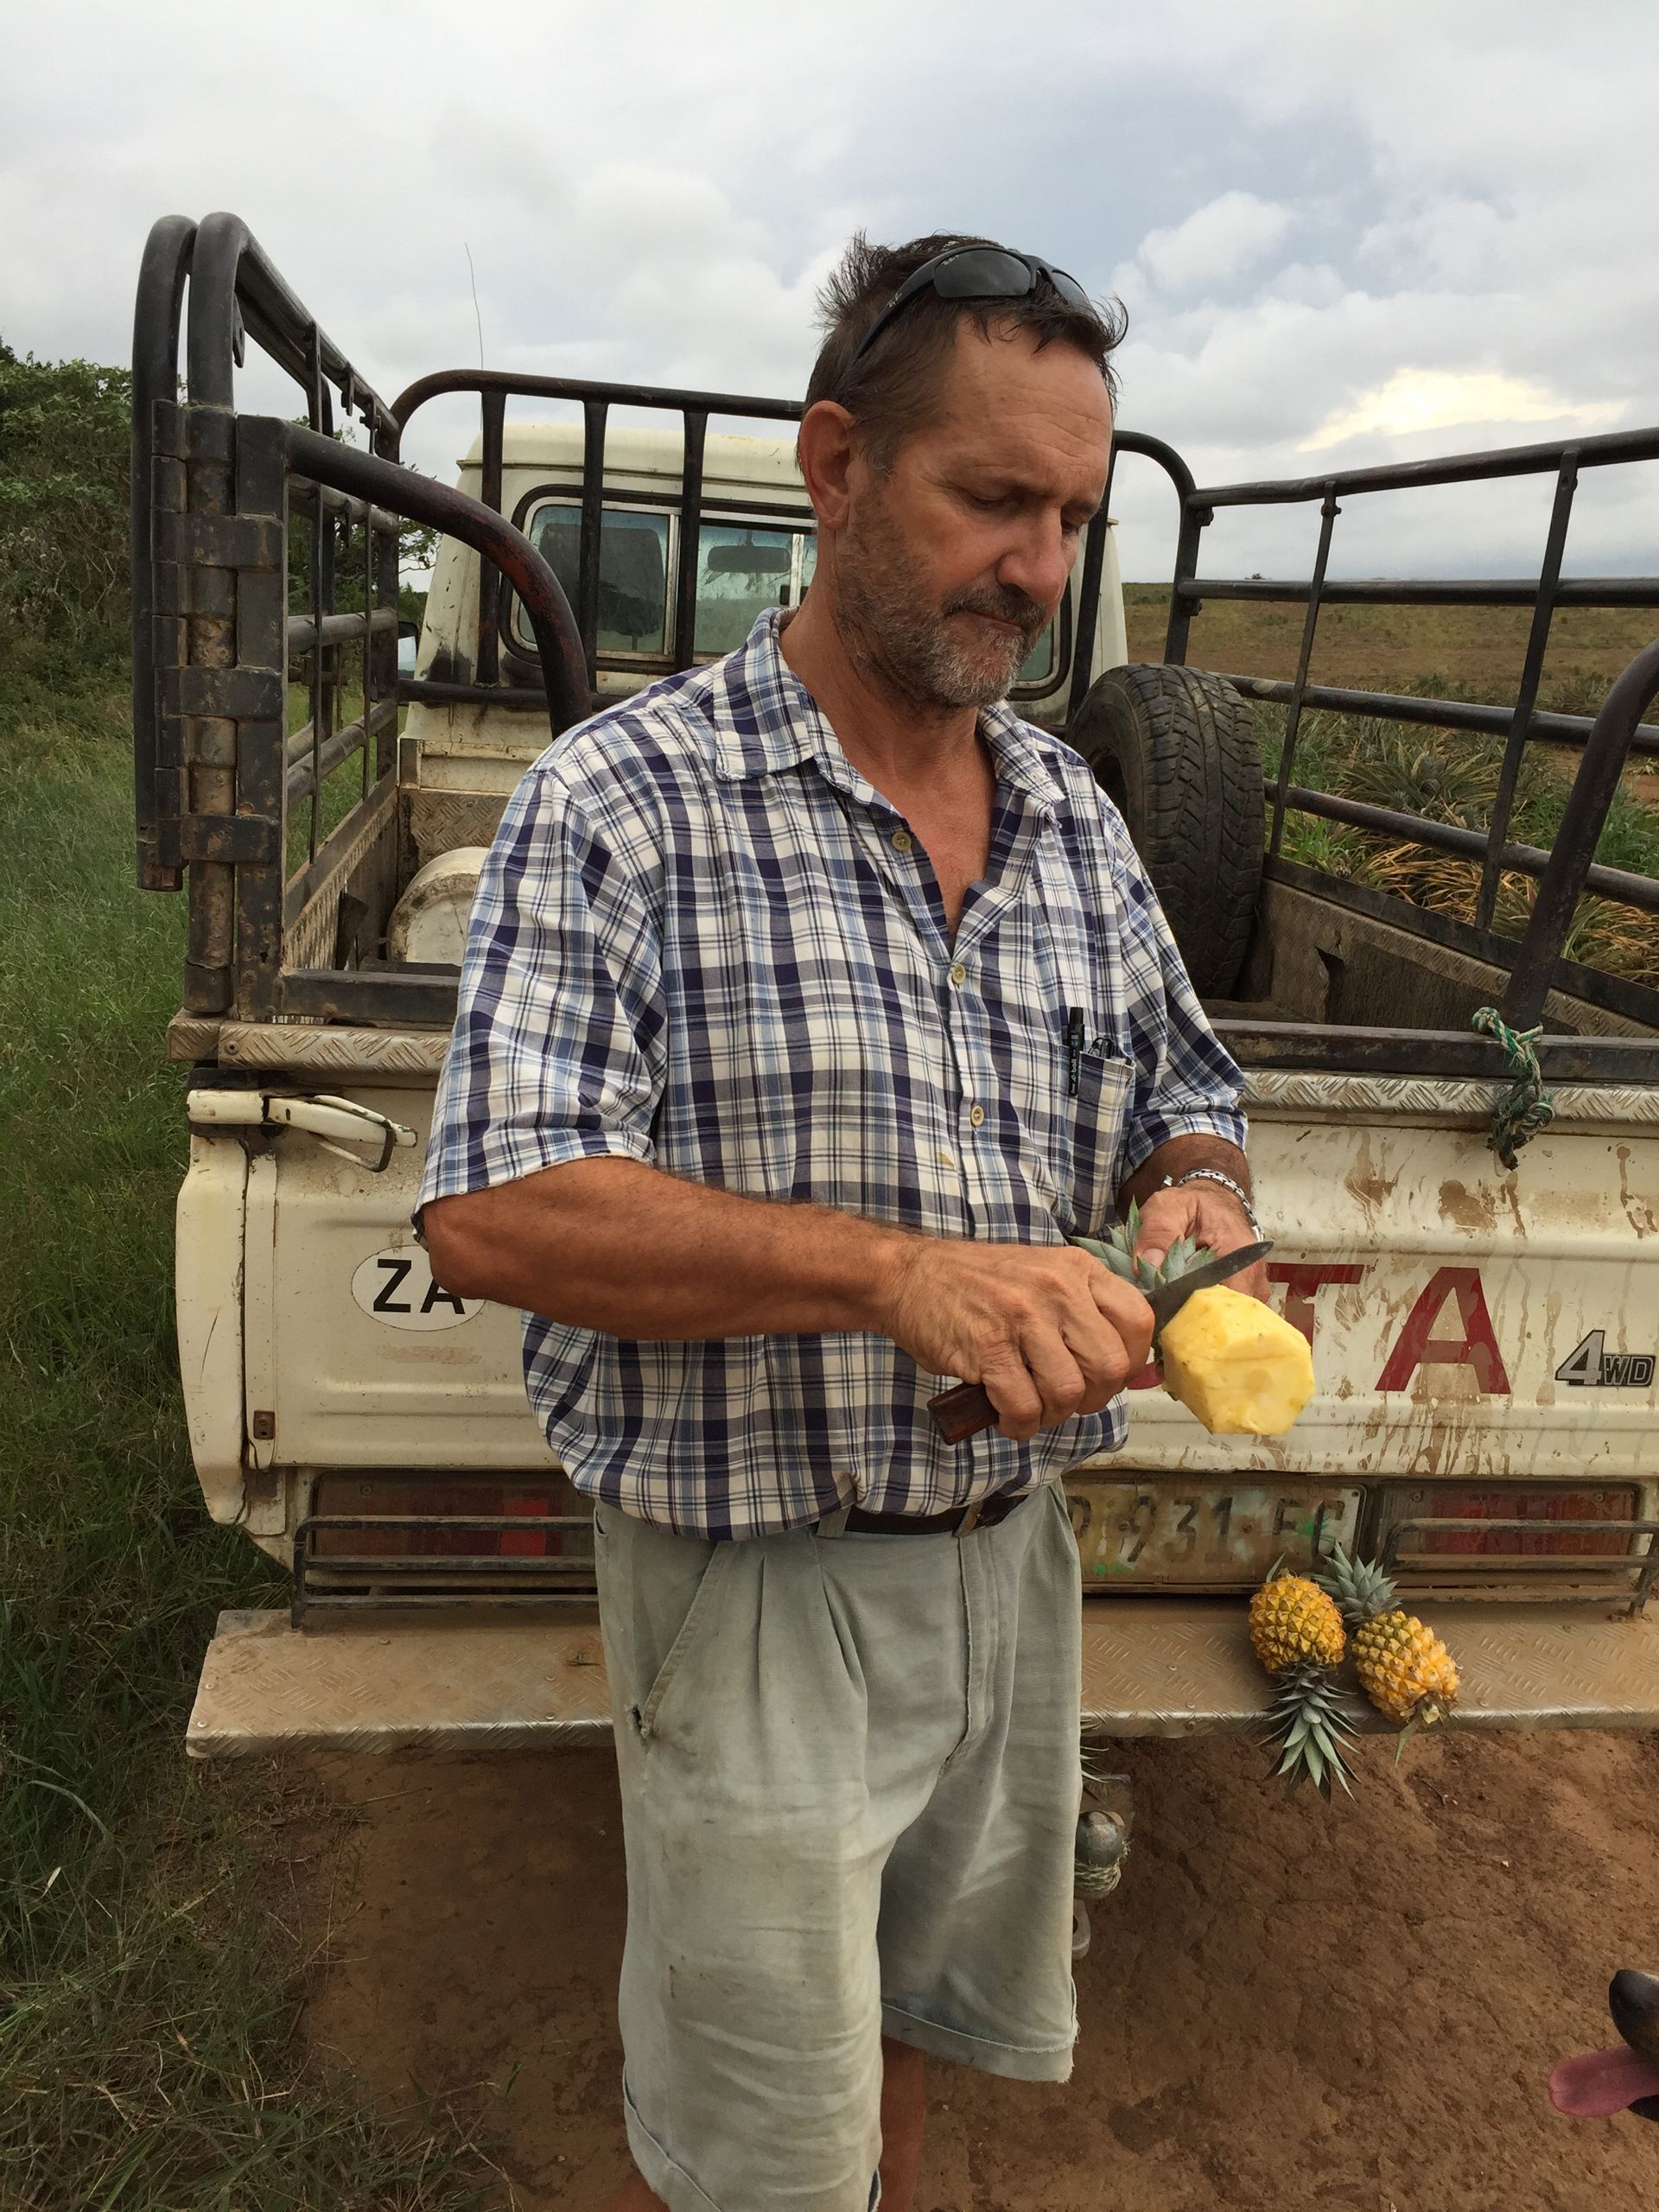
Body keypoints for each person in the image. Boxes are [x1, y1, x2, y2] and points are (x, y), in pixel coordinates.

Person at [418, 231, 1264, 2212]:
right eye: (993, 498)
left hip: (1016, 1563)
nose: (1041, 571)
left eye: (1072, 514)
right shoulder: (625, 800)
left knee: (917, 2025)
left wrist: (1192, 1194)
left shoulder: (1072, 814)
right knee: (751, 2135)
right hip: (756, 1590)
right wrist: (898, 1274)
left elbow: (1184, 1088)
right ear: (835, 464)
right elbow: (495, 1207)